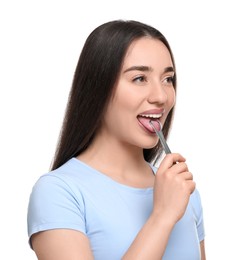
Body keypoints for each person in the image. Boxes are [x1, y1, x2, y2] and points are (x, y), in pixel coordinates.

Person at [27, 19, 206, 260]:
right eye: (140, 78)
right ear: (98, 88)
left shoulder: (183, 190)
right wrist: (162, 216)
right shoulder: (58, 192)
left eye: (168, 79)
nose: (161, 96)